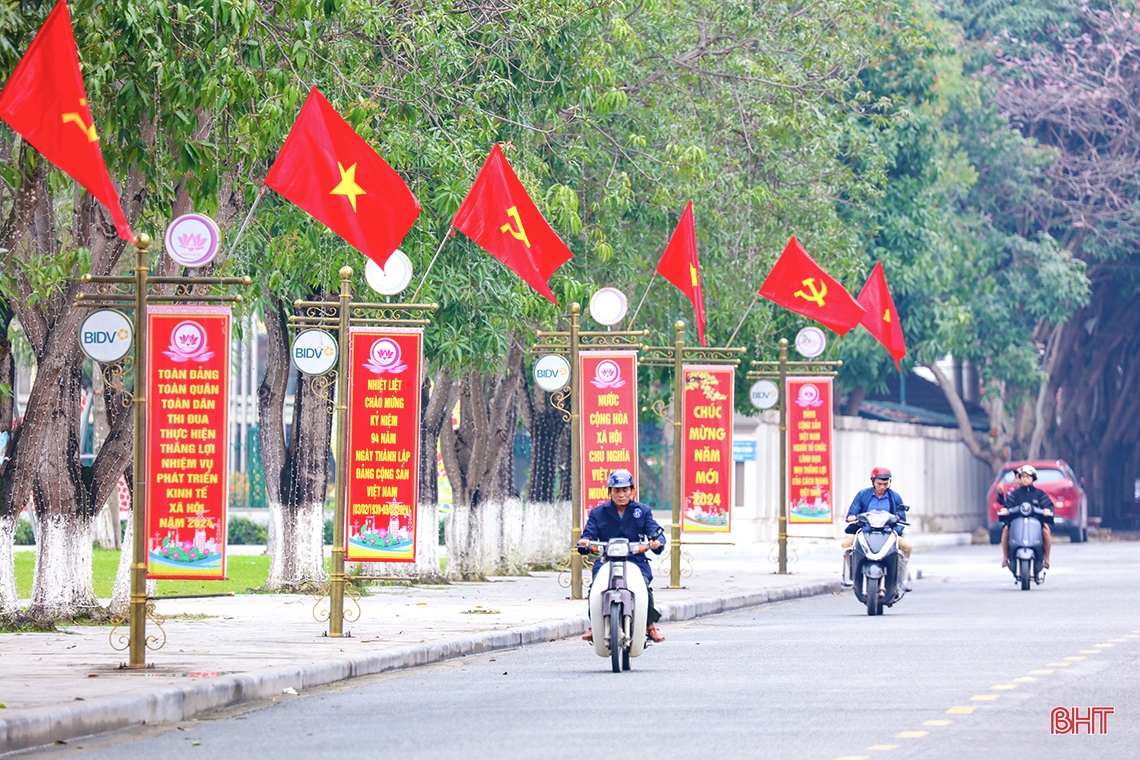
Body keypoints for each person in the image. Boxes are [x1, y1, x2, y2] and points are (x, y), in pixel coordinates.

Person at [578, 469, 666, 644]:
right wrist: (585, 542)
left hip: (635, 561)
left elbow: (655, 531)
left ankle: (650, 625)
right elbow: (588, 535)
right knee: (595, 587)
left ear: (632, 491)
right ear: (609, 492)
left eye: (625, 490)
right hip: (606, 561)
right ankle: (594, 626)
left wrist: (657, 541)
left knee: (644, 588)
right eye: (616, 490)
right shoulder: (598, 513)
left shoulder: (643, 511)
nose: (621, 494)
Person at [842, 466, 911, 589]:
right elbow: (850, 516)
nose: (882, 487)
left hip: (888, 534)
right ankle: (851, 576)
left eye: (886, 484)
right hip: (865, 534)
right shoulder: (863, 495)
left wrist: (894, 530)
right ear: (873, 481)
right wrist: (855, 518)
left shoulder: (895, 497)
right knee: (846, 545)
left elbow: (902, 520)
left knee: (907, 547)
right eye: (879, 484)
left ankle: (901, 579)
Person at [998, 464, 1053, 569]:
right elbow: (1008, 505)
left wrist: (1047, 510)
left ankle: (1046, 559)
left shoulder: (1039, 493)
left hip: (1036, 522)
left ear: (1033, 478)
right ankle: (1005, 557)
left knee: (1046, 531)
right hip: (1017, 522)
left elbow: (1047, 505)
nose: (1025, 479)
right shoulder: (1015, 493)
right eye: (1023, 477)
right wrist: (1005, 510)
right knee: (1006, 530)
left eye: (1027, 477)